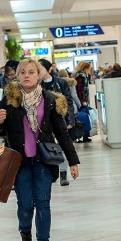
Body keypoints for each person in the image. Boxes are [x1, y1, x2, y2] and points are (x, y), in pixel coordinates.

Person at [0, 59, 80, 241]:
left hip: (44, 160)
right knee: (25, 205)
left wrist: (73, 161)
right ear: (17, 75)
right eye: (23, 72)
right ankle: (25, 231)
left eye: (31, 72)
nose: (26, 75)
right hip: (19, 162)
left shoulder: (50, 100)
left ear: (39, 75)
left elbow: (61, 132)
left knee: (43, 203)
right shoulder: (10, 99)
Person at [39, 58, 74, 186]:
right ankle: (50, 171)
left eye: (41, 68)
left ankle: (63, 173)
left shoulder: (60, 83)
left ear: (49, 69)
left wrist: (70, 120)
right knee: (49, 147)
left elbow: (68, 102)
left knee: (62, 145)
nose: (38, 71)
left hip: (59, 119)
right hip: (44, 122)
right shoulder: (36, 85)